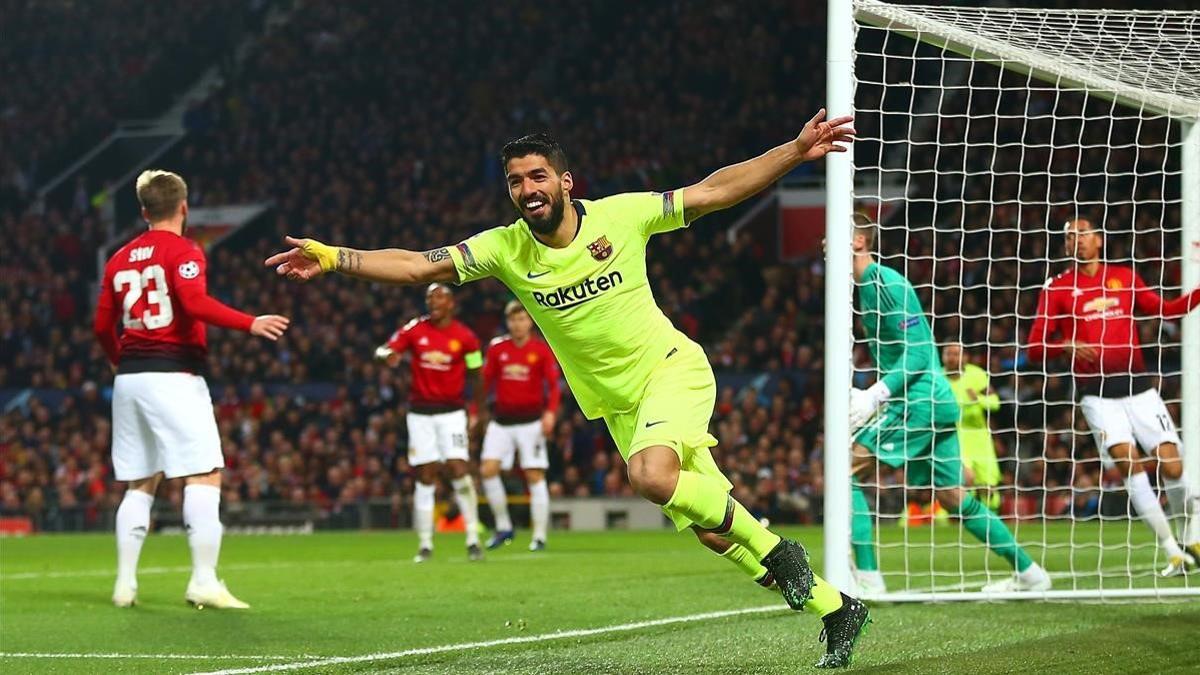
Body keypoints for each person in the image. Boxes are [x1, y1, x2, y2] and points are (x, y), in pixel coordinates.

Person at [266, 110, 869, 668]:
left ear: (565, 181)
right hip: (617, 406)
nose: (528, 189)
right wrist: (335, 256)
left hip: (670, 369)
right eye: (515, 181)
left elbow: (712, 192)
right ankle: (835, 608)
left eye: (538, 176)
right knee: (715, 531)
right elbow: (419, 266)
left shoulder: (621, 216)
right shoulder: (504, 248)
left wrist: (793, 151)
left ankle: (784, 552)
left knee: (652, 478)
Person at [94, 170, 289, 608]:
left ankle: (125, 584)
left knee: (140, 481)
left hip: (130, 378)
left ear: (144, 211)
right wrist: (250, 322)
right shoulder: (185, 250)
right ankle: (203, 580)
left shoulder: (118, 257)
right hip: (173, 374)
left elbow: (100, 325)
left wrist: (116, 359)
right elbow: (194, 304)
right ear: (184, 207)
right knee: (203, 473)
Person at [847, 213, 1050, 595]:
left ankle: (869, 580)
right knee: (954, 497)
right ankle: (1030, 573)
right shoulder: (865, 288)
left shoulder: (886, 284)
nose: (825, 247)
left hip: (919, 399)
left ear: (859, 241)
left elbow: (920, 355)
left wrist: (877, 393)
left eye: (833, 238)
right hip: (935, 400)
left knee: (844, 467)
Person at [1027, 217, 1200, 576]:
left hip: (1139, 388)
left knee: (1173, 465)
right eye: (1070, 236)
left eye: (1084, 233)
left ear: (1099, 240)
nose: (1077, 240)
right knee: (1128, 461)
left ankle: (1188, 539)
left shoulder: (1124, 278)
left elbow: (1170, 309)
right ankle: (1171, 551)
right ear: (1065, 247)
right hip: (1097, 396)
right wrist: (1065, 344)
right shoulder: (1057, 289)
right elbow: (1034, 348)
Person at [376, 284, 486, 562]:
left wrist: (478, 411)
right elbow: (385, 349)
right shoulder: (415, 330)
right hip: (420, 414)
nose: (433, 302)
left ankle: (473, 538)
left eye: (439, 298)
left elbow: (476, 373)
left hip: (452, 413)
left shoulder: (466, 337)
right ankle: (425, 543)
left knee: (458, 467)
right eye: (429, 298)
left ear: (452, 303)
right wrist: (388, 355)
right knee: (425, 474)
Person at [480, 301, 560, 551]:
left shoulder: (540, 350)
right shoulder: (497, 348)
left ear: (530, 321)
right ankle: (504, 527)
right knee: (488, 470)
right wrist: (476, 412)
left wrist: (550, 413)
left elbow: (554, 386)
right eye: (513, 320)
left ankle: (539, 536)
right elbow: (484, 383)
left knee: (534, 476)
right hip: (501, 421)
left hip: (531, 423)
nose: (518, 324)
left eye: (522, 319)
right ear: (508, 322)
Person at [941, 343, 1002, 512]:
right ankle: (969, 515)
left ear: (965, 357)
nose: (951, 358)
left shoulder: (977, 375)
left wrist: (978, 399)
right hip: (953, 436)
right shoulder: (937, 378)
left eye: (956, 354)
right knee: (967, 478)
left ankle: (991, 514)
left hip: (978, 436)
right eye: (948, 354)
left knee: (987, 486)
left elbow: (996, 403)